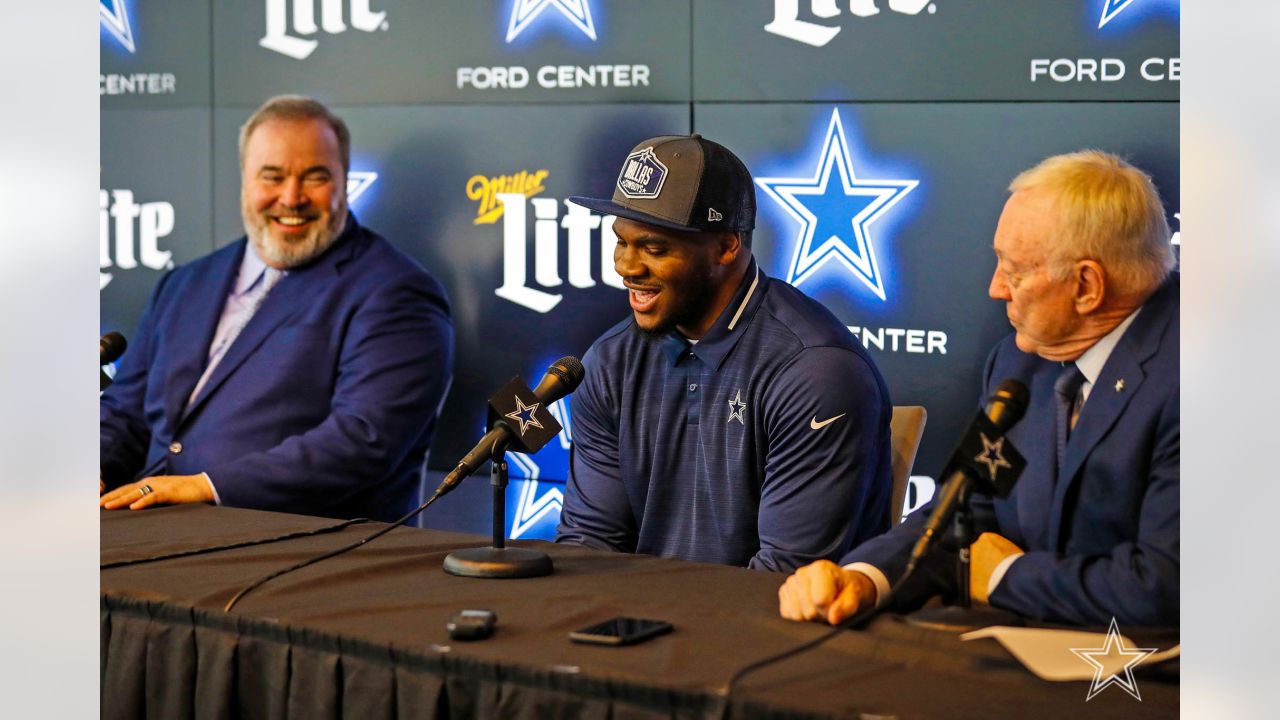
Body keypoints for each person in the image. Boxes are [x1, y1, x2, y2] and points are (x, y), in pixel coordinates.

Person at [778, 150, 1178, 627]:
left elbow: (1164, 586)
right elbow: (965, 505)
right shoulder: (1020, 362)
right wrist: (864, 578)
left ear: (1087, 286)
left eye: (1014, 272)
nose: (995, 289)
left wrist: (1004, 575)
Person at [99, 95, 454, 523]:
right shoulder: (185, 283)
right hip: (146, 533)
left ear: (345, 180)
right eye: (273, 176)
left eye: (315, 177)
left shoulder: (398, 293)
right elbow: (124, 411)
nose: (291, 197)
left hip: (297, 556)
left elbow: (363, 441)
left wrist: (204, 487)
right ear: (245, 180)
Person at [555, 134, 893, 572]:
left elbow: (784, 578)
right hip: (641, 626)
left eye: (654, 249)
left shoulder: (815, 371)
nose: (626, 266)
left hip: (780, 632)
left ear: (726, 246)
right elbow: (589, 544)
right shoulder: (610, 361)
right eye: (622, 241)